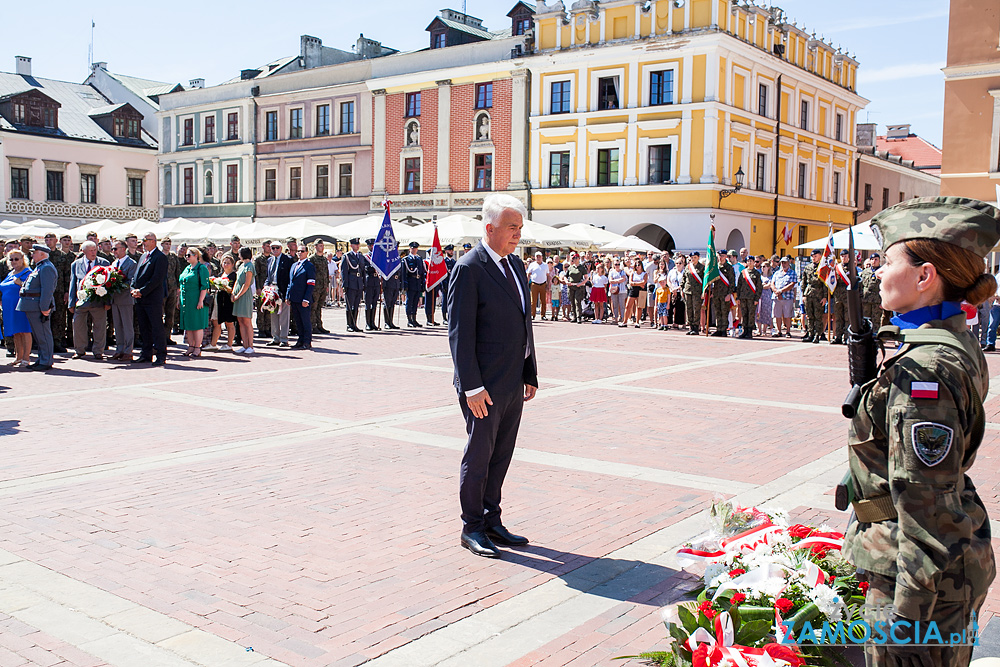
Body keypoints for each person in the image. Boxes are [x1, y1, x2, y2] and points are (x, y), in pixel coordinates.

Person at [843, 197, 997, 667]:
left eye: (888, 261)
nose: (878, 272)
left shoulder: (924, 372)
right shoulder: (947, 340)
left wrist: (906, 620)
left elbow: (925, 506)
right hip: (941, 570)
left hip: (920, 582)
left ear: (924, 276)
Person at [447, 193, 538, 559]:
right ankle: (472, 526)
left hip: (512, 381)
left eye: (520, 227)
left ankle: (492, 517)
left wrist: (529, 372)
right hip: (482, 385)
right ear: (490, 228)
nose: (518, 233)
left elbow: (523, 323)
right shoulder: (470, 268)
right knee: (479, 455)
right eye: (511, 227)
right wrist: (471, 386)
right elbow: (459, 334)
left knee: (501, 454)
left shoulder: (515, 266)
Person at [68, 241, 111, 360]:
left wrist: (108, 302)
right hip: (81, 301)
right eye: (90, 250)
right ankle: (79, 350)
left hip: (98, 301)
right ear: (84, 251)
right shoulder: (76, 264)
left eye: (95, 250)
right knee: (78, 325)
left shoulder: (104, 263)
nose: (93, 252)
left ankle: (98, 351)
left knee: (100, 326)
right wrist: (71, 302)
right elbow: (73, 284)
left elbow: (109, 284)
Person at [17, 245, 57, 371]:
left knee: (44, 335)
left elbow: (47, 290)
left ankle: (46, 361)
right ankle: (42, 359)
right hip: (33, 305)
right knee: (39, 335)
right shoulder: (41, 267)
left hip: (38, 306)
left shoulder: (46, 268)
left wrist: (45, 308)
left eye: (35, 253)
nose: (32, 255)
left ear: (42, 254)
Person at [131, 233, 169, 366]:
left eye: (145, 240)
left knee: (156, 327)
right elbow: (136, 276)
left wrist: (142, 291)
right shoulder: (143, 256)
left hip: (152, 299)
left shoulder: (160, 257)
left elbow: (157, 279)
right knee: (144, 328)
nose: (143, 243)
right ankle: (146, 354)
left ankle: (160, 355)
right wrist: (133, 288)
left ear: (154, 241)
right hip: (140, 299)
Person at [1, 249, 32, 367]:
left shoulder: (28, 272)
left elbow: (32, 287)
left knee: (25, 330)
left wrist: (20, 283)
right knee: (16, 332)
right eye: (11, 259)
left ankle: (26, 358)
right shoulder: (11, 273)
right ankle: (18, 357)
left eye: (16, 259)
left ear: (23, 259)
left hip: (21, 305)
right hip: (9, 307)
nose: (14, 261)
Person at [178, 246, 210, 357]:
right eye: (186, 255)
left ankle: (197, 347)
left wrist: (201, 300)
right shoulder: (187, 268)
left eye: (189, 255)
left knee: (197, 325)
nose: (186, 257)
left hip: (196, 300)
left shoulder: (201, 268)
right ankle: (190, 346)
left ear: (196, 256)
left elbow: (204, 286)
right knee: (189, 325)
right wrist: (179, 299)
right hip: (186, 301)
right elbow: (181, 284)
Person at [109, 240, 137, 361]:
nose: (113, 251)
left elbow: (132, 281)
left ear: (123, 249)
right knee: (118, 326)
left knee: (127, 325)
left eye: (116, 249)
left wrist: (118, 284)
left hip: (125, 298)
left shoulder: (131, 263)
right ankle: (119, 349)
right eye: (113, 249)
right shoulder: (114, 263)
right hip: (115, 299)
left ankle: (128, 350)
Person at [287, 244, 316, 349]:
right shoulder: (294, 265)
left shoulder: (309, 266)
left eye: (302, 251)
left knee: (305, 321)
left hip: (303, 298)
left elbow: (311, 283)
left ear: (307, 253)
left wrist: (306, 299)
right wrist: (288, 296)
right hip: (294, 298)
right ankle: (300, 340)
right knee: (298, 321)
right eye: (298, 251)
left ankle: (307, 341)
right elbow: (290, 282)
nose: (299, 253)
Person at [264, 241, 292, 345]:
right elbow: (268, 275)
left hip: (282, 290)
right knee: (273, 314)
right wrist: (265, 286)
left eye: (277, 248)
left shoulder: (288, 260)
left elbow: (290, 278)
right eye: (273, 248)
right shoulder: (270, 260)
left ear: (281, 248)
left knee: (284, 315)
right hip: (272, 290)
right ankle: (275, 337)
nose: (275, 250)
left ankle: (284, 338)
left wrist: (288, 294)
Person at [231, 247, 256, 355]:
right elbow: (237, 281)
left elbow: (246, 284)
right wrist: (233, 293)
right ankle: (244, 345)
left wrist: (238, 295)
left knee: (246, 321)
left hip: (244, 296)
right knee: (240, 321)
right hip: (238, 295)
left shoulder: (250, 266)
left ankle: (250, 345)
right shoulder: (241, 265)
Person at [211, 253, 237, 351]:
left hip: (228, 301)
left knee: (229, 323)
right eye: (224, 262)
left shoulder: (234, 276)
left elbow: (234, 289)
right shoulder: (220, 275)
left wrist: (226, 287)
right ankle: (213, 344)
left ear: (232, 264)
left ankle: (229, 344)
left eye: (228, 263)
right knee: (216, 321)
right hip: (219, 300)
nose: (226, 265)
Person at [801, 248, 827, 343]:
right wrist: (803, 294)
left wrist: (824, 297)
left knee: (818, 316)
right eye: (812, 256)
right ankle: (810, 333)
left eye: (815, 256)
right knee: (809, 315)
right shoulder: (808, 267)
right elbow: (803, 281)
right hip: (809, 293)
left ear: (820, 256)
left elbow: (825, 284)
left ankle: (817, 335)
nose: (813, 258)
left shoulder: (823, 268)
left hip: (818, 294)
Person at [735, 255, 763, 339]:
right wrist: (738, 297)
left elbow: (759, 287)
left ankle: (749, 331)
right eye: (748, 261)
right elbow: (739, 285)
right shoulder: (743, 273)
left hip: (752, 298)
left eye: (751, 261)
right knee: (744, 314)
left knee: (751, 314)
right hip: (743, 297)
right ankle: (745, 330)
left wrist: (756, 298)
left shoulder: (756, 273)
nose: (749, 262)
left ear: (754, 262)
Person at [341, 238, 366, 332]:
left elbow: (363, 271)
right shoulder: (347, 256)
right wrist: (345, 285)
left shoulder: (360, 256)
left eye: (358, 244)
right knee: (349, 305)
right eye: (355, 244)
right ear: (351, 245)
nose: (357, 246)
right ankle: (349, 325)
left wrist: (364, 283)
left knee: (356, 305)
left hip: (359, 283)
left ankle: (354, 324)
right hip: (351, 283)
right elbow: (344, 272)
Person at [710, 249, 735, 337]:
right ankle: (718, 329)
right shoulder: (715, 267)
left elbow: (732, 282)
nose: (721, 258)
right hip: (717, 293)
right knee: (718, 311)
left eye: (722, 256)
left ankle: (724, 329)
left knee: (724, 312)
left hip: (725, 293)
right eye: (719, 256)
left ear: (726, 257)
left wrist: (729, 294)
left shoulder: (729, 268)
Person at [770, 256, 797, 338]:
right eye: (782, 262)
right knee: (777, 315)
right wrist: (776, 292)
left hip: (787, 297)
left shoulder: (792, 273)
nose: (783, 264)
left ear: (789, 263)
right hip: (776, 297)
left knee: (787, 315)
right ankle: (779, 331)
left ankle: (788, 331)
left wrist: (781, 291)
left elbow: (792, 284)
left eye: (785, 262)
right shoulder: (777, 273)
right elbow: (772, 283)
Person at [402, 241, 426, 328]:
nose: (414, 250)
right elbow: (404, 274)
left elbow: (422, 273)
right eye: (412, 248)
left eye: (415, 248)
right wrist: (405, 285)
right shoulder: (406, 260)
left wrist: (423, 284)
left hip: (417, 282)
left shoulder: (419, 259)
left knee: (416, 302)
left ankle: (414, 319)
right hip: (410, 282)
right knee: (409, 302)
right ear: (410, 249)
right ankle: (409, 320)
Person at [860, 252, 887, 331]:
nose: (874, 261)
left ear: (879, 261)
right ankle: (866, 335)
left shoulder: (883, 271)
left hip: (877, 300)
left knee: (876, 320)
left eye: (876, 259)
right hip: (866, 300)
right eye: (872, 259)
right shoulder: (865, 272)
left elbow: (885, 287)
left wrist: (883, 301)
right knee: (866, 320)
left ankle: (875, 336)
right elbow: (861, 285)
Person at [162, 237, 182, 344]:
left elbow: (177, 271)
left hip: (172, 287)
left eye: (169, 244)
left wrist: (178, 287)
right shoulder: (159, 256)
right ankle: (160, 337)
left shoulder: (173, 257)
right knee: (160, 314)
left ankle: (167, 336)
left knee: (170, 314)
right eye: (165, 243)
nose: (168, 246)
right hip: (161, 289)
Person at [830, 249, 851, 344]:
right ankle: (838, 336)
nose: (844, 258)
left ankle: (846, 337)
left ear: (849, 257)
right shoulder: (837, 268)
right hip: (838, 296)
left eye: (845, 256)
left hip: (848, 296)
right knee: (838, 317)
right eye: (842, 256)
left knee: (847, 318)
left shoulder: (852, 268)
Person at [309, 240, 330, 334]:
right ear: (315, 247)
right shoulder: (312, 259)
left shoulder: (324, 259)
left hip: (323, 286)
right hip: (315, 287)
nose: (322, 247)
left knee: (319, 307)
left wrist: (327, 285)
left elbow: (326, 272)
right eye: (320, 246)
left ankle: (319, 325)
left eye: (322, 245)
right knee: (313, 307)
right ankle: (313, 326)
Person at [254, 241, 272, 340]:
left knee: (269, 308)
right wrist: (258, 288)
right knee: (261, 309)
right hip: (261, 286)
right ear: (263, 247)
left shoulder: (272, 258)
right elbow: (256, 274)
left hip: (270, 287)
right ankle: (261, 329)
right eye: (267, 246)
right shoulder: (258, 259)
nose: (269, 248)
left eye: (270, 247)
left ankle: (267, 328)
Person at [363, 238, 383, 331]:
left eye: (373, 245)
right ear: (368, 246)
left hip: (376, 281)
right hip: (369, 280)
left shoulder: (378, 257)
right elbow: (365, 268)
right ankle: (368, 323)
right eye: (370, 246)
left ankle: (373, 322)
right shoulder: (365, 257)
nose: (372, 247)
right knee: (368, 303)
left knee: (375, 303)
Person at [622, 256, 646, 329]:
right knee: (628, 306)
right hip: (633, 290)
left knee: (639, 307)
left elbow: (644, 282)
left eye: (639, 265)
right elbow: (631, 282)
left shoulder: (644, 274)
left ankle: (637, 322)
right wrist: (638, 283)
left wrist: (636, 283)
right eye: (636, 265)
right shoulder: (633, 273)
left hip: (641, 290)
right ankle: (625, 321)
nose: (637, 266)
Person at [565, 253, 589, 324]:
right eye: (573, 259)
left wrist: (581, 284)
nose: (574, 260)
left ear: (578, 259)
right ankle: (574, 316)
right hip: (571, 286)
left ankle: (579, 317)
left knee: (577, 302)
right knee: (572, 301)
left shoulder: (582, 268)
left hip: (578, 287)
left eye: (576, 258)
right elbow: (565, 276)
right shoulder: (570, 267)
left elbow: (586, 278)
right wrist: (567, 282)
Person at [526, 251, 549, 320]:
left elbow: (547, 275)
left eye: (539, 256)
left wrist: (548, 285)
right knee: (533, 301)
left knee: (543, 301)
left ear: (542, 257)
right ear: (535, 257)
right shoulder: (532, 265)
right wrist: (526, 284)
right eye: (537, 256)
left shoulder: (545, 265)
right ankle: (533, 315)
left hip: (543, 284)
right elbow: (528, 274)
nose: (538, 258)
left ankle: (543, 315)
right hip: (534, 284)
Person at [757, 260, 774, 336]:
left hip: (767, 296)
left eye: (764, 266)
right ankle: (759, 329)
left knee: (766, 312)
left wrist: (763, 285)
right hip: (759, 296)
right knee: (758, 311)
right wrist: (762, 285)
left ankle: (764, 330)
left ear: (768, 267)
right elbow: (757, 286)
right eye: (761, 267)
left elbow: (770, 285)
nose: (762, 268)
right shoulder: (759, 276)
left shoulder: (771, 277)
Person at [440, 244, 457, 323]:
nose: (451, 252)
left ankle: (450, 316)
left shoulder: (454, 262)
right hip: (446, 284)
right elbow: (442, 275)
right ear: (446, 251)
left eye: (452, 250)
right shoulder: (443, 261)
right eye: (450, 250)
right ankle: (444, 317)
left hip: (452, 284)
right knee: (445, 301)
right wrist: (443, 285)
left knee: (452, 301)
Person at [654, 259, 671, 331]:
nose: (661, 266)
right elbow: (654, 280)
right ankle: (657, 323)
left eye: (663, 264)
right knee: (658, 310)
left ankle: (665, 325)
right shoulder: (656, 271)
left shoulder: (667, 272)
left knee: (664, 314)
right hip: (658, 289)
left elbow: (667, 281)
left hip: (665, 290)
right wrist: (658, 276)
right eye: (660, 264)